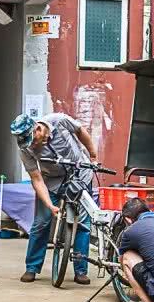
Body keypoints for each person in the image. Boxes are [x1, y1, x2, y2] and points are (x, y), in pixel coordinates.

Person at [9, 112, 99, 285]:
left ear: (38, 128)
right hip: (52, 181)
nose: (32, 145)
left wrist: (93, 156)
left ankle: (81, 270)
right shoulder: (25, 149)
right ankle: (32, 268)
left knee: (83, 224)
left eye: (32, 140)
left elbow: (81, 132)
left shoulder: (59, 121)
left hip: (80, 174)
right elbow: (37, 179)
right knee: (41, 222)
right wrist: (50, 205)